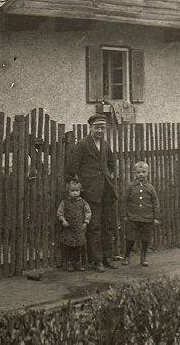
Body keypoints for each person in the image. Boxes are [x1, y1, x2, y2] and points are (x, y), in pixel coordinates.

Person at [65, 113, 118, 272]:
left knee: (108, 225)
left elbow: (111, 163)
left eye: (102, 128)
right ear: (90, 128)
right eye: (97, 128)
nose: (100, 131)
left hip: (106, 191)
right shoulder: (82, 145)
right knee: (94, 226)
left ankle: (108, 257)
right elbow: (71, 169)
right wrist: (83, 186)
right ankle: (97, 261)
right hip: (91, 192)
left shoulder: (105, 144)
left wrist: (109, 175)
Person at [122, 161, 161, 266]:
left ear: (147, 173)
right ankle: (126, 256)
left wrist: (156, 217)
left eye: (143, 172)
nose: (141, 174)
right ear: (134, 173)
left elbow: (155, 203)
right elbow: (124, 201)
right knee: (130, 238)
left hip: (147, 218)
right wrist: (125, 215)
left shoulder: (150, 188)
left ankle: (143, 258)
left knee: (145, 239)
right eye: (138, 172)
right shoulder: (130, 187)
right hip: (133, 218)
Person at [57, 180, 92, 272]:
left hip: (79, 228)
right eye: (72, 191)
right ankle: (69, 263)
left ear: (80, 191)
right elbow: (60, 213)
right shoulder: (64, 202)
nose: (75, 193)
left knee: (78, 246)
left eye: (77, 191)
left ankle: (78, 263)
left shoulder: (83, 202)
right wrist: (63, 220)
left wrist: (86, 222)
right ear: (68, 192)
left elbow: (88, 212)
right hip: (69, 228)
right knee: (69, 245)